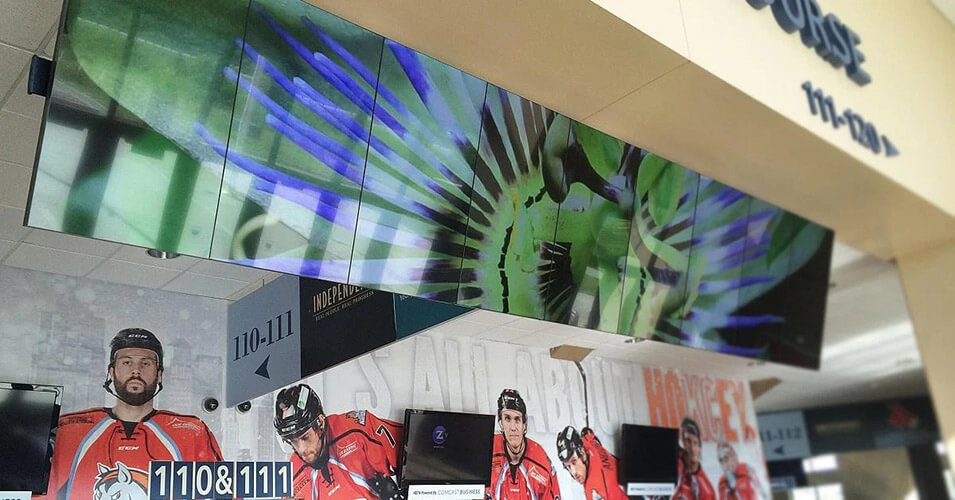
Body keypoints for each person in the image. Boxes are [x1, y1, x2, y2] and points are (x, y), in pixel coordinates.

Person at [44, 328, 223, 499]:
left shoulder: (192, 432)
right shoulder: (68, 430)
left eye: (145, 363)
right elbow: (37, 493)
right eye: (127, 362)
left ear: (159, 374)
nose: (136, 370)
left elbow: (224, 495)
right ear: (111, 372)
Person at [274, 383, 404, 500]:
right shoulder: (292, 477)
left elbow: (415, 457)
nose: (301, 449)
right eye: (293, 441)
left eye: (305, 437)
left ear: (320, 423)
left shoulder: (356, 430)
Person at [489, 389, 561, 500]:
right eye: (507, 419)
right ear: (501, 423)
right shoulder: (487, 450)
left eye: (517, 419)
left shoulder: (541, 462)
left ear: (524, 425)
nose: (513, 427)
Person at [556, 426, 627, 500]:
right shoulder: (586, 442)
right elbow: (587, 433)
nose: (573, 472)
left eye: (574, 462)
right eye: (568, 467)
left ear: (582, 453)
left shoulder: (593, 488)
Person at [672, 417, 715, 500]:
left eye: (695, 443)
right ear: (683, 443)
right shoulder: (675, 466)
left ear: (699, 447)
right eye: (688, 441)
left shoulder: (707, 489)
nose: (692, 448)